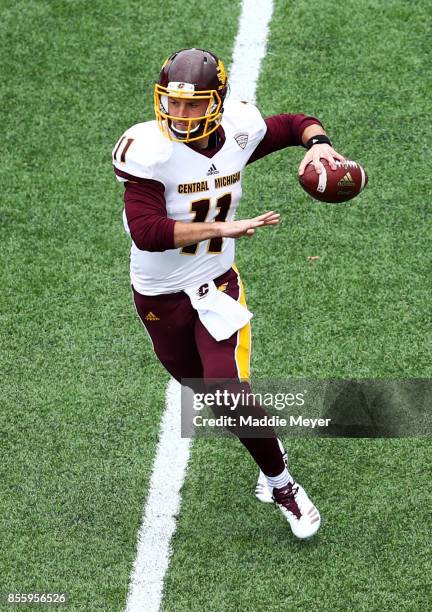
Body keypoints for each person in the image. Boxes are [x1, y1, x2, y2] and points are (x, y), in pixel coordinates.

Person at [112, 48, 346, 539]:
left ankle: (282, 483)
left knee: (227, 391)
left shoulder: (237, 129)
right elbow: (147, 231)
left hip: (216, 283)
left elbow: (293, 123)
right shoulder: (148, 149)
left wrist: (319, 143)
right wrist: (228, 226)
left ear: (216, 102)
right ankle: (271, 456)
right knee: (205, 393)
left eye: (193, 104)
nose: (179, 114)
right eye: (172, 103)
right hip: (158, 294)